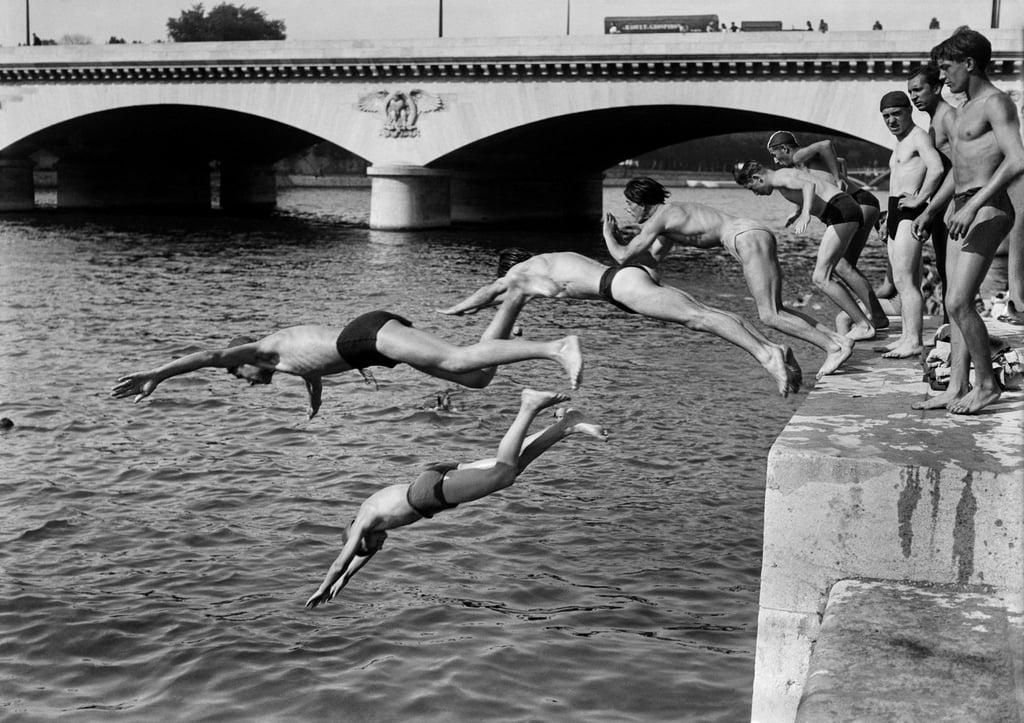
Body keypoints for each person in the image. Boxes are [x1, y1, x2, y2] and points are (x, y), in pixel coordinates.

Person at [304, 388, 608, 607]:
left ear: (360, 537)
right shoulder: (368, 517)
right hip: (433, 476)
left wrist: (325, 586)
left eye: (373, 544)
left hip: (429, 493)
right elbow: (356, 561)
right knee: (511, 466)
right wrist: (345, 583)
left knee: (502, 473)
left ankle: (528, 406)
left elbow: (340, 563)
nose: (380, 545)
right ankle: (566, 425)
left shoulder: (366, 522)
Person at [439, 250, 801, 397]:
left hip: (621, 287)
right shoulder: (543, 265)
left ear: (509, 269)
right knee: (702, 312)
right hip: (625, 277)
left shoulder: (520, 273)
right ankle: (773, 348)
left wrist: (456, 310)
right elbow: (501, 295)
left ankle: (766, 357)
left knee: (698, 318)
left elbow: (492, 291)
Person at [110, 307, 583, 418]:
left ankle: (555, 347)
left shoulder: (260, 349)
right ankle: (511, 307)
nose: (244, 380)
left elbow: (208, 357)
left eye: (239, 375)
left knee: (459, 361)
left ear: (245, 357)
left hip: (366, 336)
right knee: (475, 378)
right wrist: (313, 403)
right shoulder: (285, 362)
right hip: (369, 346)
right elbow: (314, 371)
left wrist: (157, 375)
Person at [600, 177, 852, 378]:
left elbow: (622, 258)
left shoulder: (657, 219)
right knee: (777, 309)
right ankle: (837, 340)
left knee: (769, 315)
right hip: (752, 232)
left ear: (641, 203)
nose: (627, 209)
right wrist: (625, 242)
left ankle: (832, 348)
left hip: (744, 237)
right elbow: (651, 260)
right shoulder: (668, 217)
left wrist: (609, 234)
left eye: (629, 203)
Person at [911, 27, 1024, 414]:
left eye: (947, 67)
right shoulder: (960, 112)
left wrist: (974, 205)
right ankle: (957, 386)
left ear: (969, 63)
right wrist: (929, 210)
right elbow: (957, 175)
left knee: (960, 301)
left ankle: (987, 384)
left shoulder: (996, 103)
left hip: (988, 209)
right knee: (951, 301)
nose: (942, 76)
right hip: (960, 207)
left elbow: (1017, 160)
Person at [734, 161, 877, 341]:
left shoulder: (779, 177)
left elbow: (809, 185)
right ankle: (870, 319)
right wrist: (798, 211)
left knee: (821, 277)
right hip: (843, 209)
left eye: (752, 188)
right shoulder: (783, 176)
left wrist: (805, 214)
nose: (756, 193)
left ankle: (863, 325)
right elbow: (807, 185)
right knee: (833, 271)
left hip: (841, 211)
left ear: (756, 178)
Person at [766, 131, 889, 330]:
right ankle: (875, 315)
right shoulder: (802, 163)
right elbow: (839, 160)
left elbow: (825, 144)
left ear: (784, 149)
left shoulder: (799, 155)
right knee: (844, 266)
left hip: (858, 204)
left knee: (842, 267)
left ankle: (876, 317)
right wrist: (799, 211)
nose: (775, 160)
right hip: (863, 202)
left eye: (775, 154)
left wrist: (839, 179)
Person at [878, 90, 945, 358]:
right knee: (902, 279)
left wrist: (920, 199)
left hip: (908, 212)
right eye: (886, 117)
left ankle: (915, 341)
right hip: (895, 212)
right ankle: (906, 336)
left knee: (906, 281)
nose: (891, 121)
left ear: (909, 111)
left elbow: (937, 168)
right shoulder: (901, 142)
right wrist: (886, 218)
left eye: (896, 114)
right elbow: (897, 180)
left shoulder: (918, 136)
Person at [907, 63, 956, 328]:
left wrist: (929, 210)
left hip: (951, 206)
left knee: (954, 274)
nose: (913, 97)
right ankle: (950, 331)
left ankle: (956, 334)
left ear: (936, 87)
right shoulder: (933, 121)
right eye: (910, 92)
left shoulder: (949, 117)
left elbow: (960, 169)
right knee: (944, 270)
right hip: (940, 206)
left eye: (918, 90)